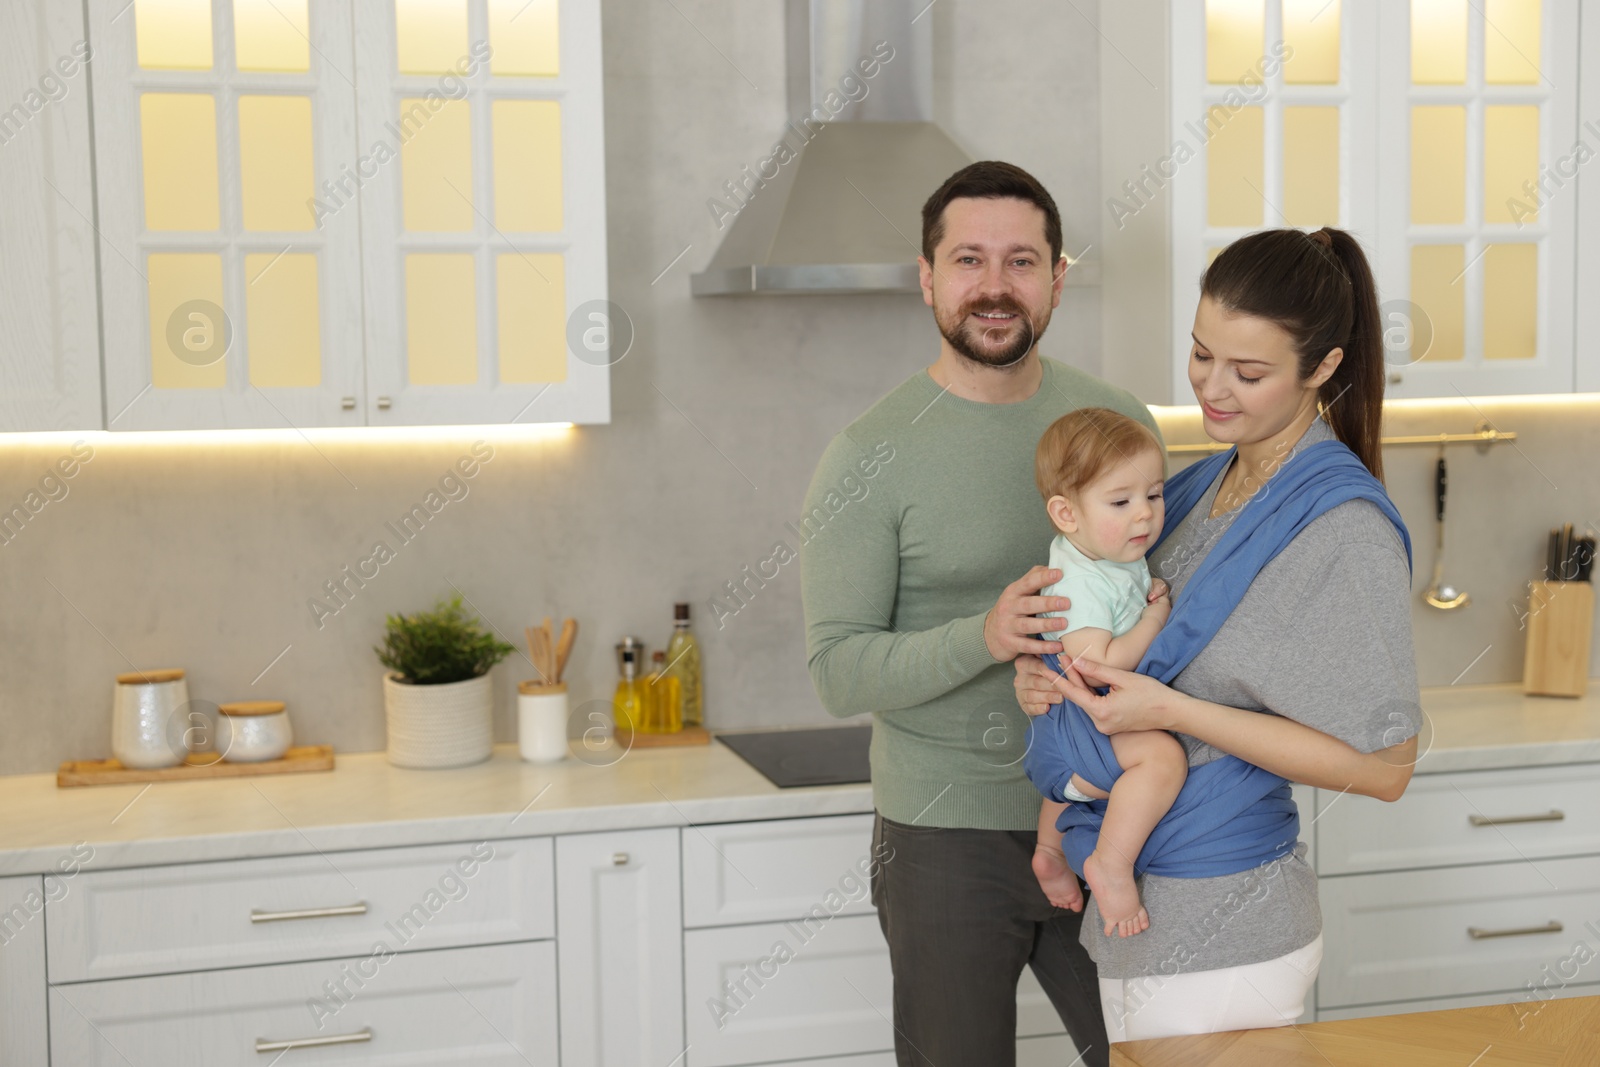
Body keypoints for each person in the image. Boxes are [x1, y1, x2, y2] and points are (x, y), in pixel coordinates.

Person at [1015, 226, 1421, 1042]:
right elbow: (1117, 630)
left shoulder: (1341, 528)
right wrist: (1048, 679)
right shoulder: (1197, 487)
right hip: (1145, 913)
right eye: (1202, 354)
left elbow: (1386, 767)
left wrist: (1169, 709)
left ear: (1325, 367)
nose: (1213, 387)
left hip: (1224, 929)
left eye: (1250, 371)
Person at [800, 161, 1163, 1067]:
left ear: (1057, 278)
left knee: (1159, 1055)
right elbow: (838, 670)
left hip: (1107, 812)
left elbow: (1170, 600)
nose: (995, 287)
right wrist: (987, 636)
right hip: (943, 835)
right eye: (969, 260)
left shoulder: (1117, 420)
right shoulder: (866, 456)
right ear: (927, 278)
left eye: (1021, 261)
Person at [1028, 408, 1186, 939]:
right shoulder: (1083, 582)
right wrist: (1154, 618)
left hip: (1062, 725)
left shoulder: (1102, 552)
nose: (1144, 515)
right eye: (1121, 502)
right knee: (1162, 757)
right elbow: (1100, 666)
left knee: (1070, 786)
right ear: (1066, 514)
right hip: (1077, 720)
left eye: (1154, 495)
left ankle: (1050, 850)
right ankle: (1111, 864)